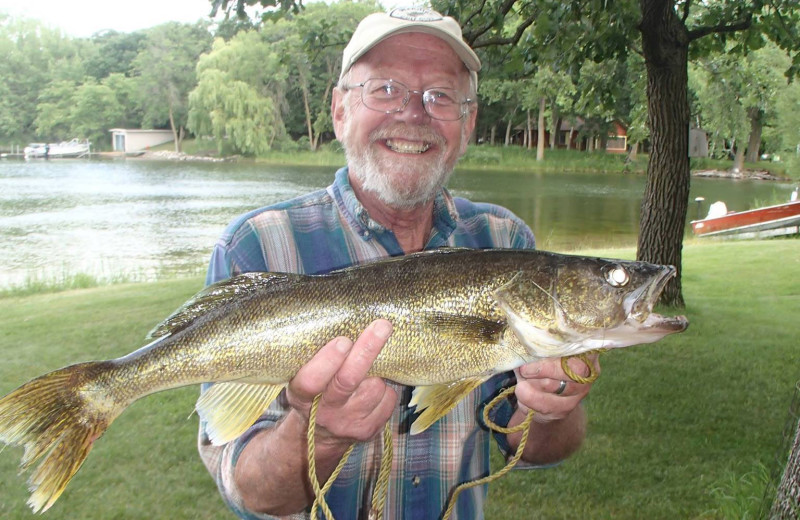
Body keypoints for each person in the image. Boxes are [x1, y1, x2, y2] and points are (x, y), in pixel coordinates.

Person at [199, 8, 598, 519]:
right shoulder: (254, 245)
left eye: (440, 95)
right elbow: (252, 494)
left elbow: (537, 446)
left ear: (468, 122)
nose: (414, 113)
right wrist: (315, 437)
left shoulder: (505, 240)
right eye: (385, 89)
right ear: (340, 111)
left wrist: (551, 409)